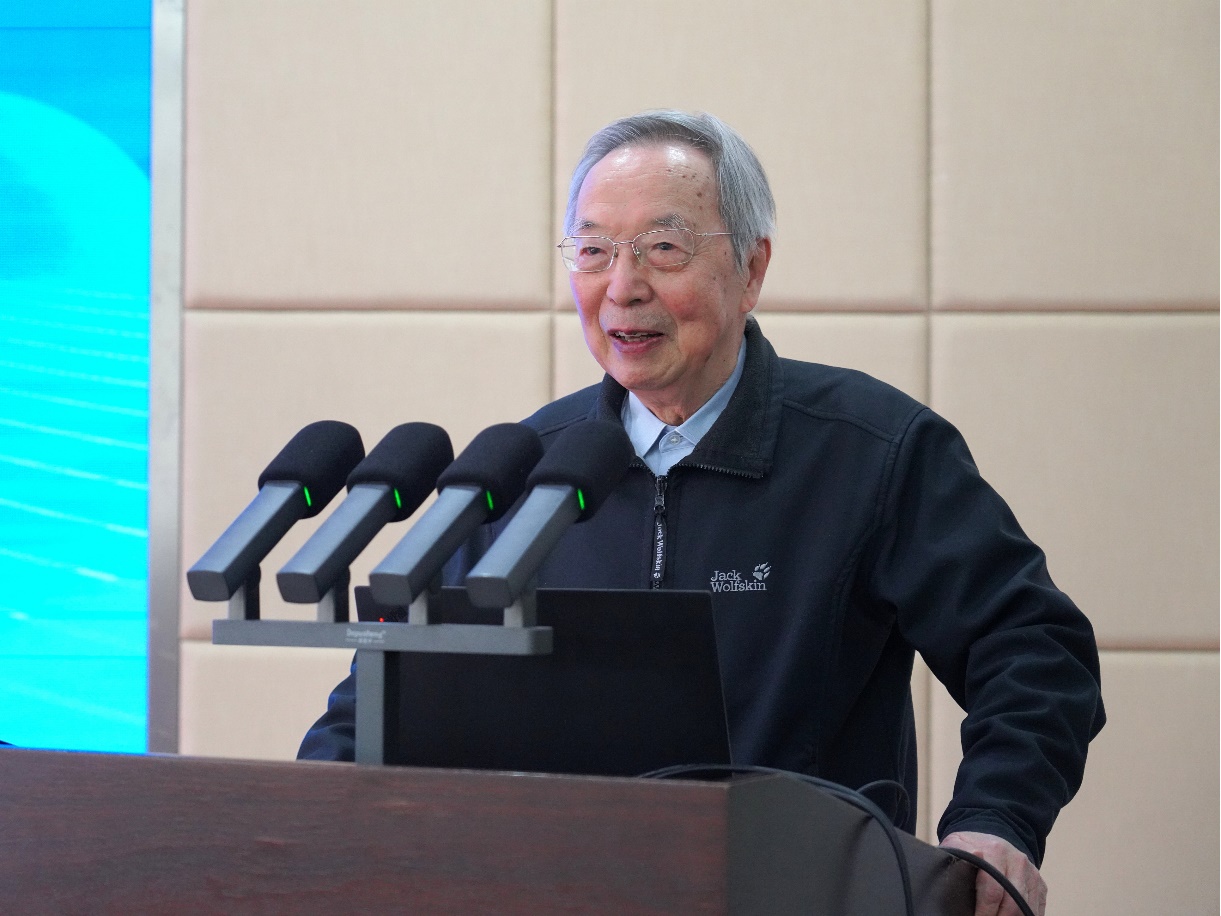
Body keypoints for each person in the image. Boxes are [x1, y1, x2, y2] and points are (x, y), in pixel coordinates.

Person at [301, 110, 1104, 916]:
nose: (622, 286)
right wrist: (306, 821)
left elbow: (1032, 649)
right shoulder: (523, 472)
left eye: (663, 248)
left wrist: (995, 819)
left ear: (751, 270)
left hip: (805, 894)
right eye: (593, 251)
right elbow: (386, 690)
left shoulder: (874, 451)